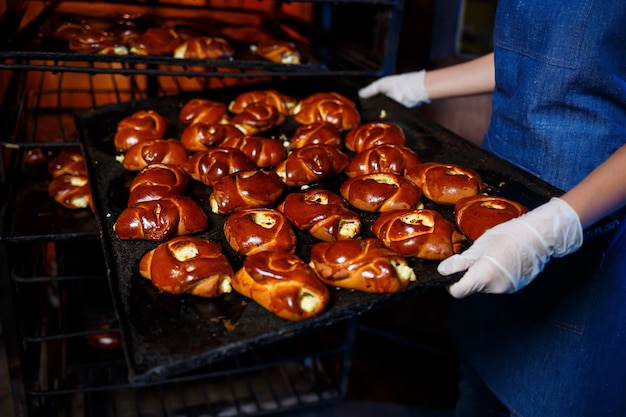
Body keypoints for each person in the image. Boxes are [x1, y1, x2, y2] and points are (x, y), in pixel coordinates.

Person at [358, 1, 626, 416]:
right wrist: (423, 84)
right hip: (494, 202)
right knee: (478, 382)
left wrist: (556, 225)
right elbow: (540, 57)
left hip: (590, 218)